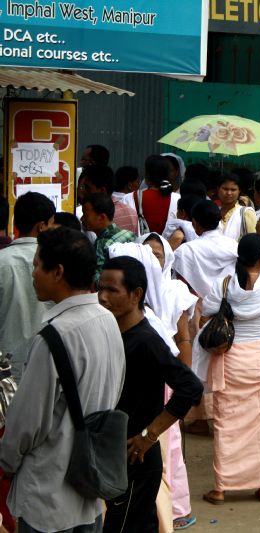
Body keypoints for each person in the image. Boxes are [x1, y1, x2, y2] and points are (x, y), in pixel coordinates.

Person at [0, 227, 125, 533]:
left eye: (37, 266)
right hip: (90, 481)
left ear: (57, 272)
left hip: (47, 492)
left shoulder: (54, 337)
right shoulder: (108, 320)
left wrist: (6, 461)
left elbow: (27, 422)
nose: (33, 275)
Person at [98, 257, 203, 532]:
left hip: (137, 458)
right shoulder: (113, 333)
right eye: (100, 289)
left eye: (112, 290)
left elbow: (190, 387)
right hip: (116, 454)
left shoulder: (146, 341)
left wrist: (150, 434)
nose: (103, 297)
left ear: (136, 295)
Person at [198, 234, 260, 505]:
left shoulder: (223, 285)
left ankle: (221, 488)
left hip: (230, 360)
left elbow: (204, 320)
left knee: (227, 424)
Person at [0, 192, 55, 377]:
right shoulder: (56, 263)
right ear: (41, 226)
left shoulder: (2, 261)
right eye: (51, 223)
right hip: (47, 364)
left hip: (6, 368)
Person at [173, 200, 238, 299]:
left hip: (196, 304)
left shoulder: (185, 251)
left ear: (194, 222)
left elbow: (181, 284)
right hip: (230, 300)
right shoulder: (234, 245)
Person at [81, 193, 135, 284]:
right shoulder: (129, 234)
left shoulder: (102, 244)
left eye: (85, 215)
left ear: (101, 217)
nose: (82, 219)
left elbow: (98, 281)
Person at [121, 155, 180, 235]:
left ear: (147, 175)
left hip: (138, 242)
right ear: (167, 175)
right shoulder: (177, 199)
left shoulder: (129, 198)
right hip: (171, 243)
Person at [82, 164, 139, 236]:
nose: (83, 191)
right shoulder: (131, 212)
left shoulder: (95, 218)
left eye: (87, 188)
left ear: (102, 191)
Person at [218, 173, 257, 242]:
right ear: (218, 189)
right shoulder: (215, 211)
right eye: (225, 189)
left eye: (233, 190)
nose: (229, 193)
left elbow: (253, 242)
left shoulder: (246, 213)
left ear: (239, 191)